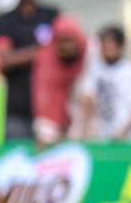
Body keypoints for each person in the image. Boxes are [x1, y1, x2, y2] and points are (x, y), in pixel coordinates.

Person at [0, 0, 60, 142]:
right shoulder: (5, 20)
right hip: (17, 111)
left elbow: (62, 53)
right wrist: (42, 52)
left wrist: (21, 56)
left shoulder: (52, 15)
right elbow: (4, 60)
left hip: (49, 110)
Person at [77, 25, 131, 142]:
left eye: (111, 44)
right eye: (104, 44)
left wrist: (123, 132)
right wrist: (82, 130)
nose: (107, 48)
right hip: (109, 137)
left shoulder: (129, 70)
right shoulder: (96, 70)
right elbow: (88, 99)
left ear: (120, 47)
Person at [31, 15, 88, 146]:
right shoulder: (46, 61)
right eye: (62, 41)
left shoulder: (89, 56)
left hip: (88, 125)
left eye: (70, 41)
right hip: (54, 127)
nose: (66, 46)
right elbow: (44, 100)